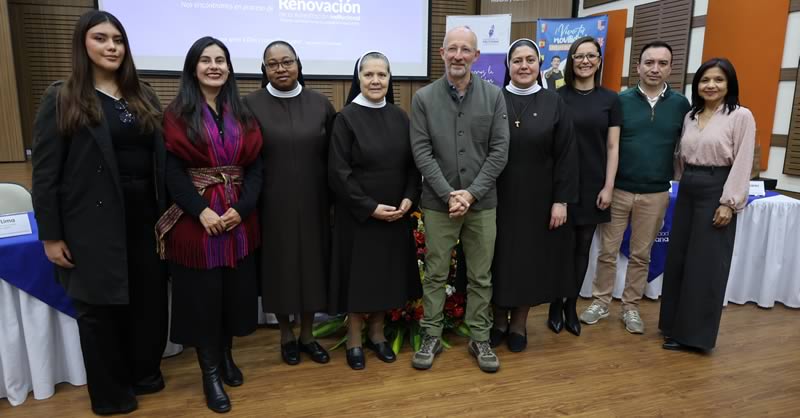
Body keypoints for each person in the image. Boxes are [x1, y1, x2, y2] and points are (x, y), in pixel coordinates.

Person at [31, 10, 168, 415]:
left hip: (145, 219)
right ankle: (110, 395)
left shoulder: (144, 95)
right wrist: (51, 235)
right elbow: (45, 174)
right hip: (91, 224)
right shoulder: (63, 96)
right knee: (100, 311)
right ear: (83, 44)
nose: (111, 47)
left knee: (148, 303)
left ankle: (144, 373)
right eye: (101, 38)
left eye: (118, 40)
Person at [157, 36, 263, 413]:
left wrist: (245, 207)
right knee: (203, 301)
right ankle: (211, 374)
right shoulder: (176, 113)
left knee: (231, 296)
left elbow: (255, 168)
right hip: (195, 223)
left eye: (221, 59)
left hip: (238, 221)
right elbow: (171, 171)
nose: (214, 66)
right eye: (206, 60)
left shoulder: (244, 112)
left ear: (230, 68)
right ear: (193, 68)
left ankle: (228, 357)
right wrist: (200, 210)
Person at [410, 26, 509, 373]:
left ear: (476, 56)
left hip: (482, 204)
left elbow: (499, 152)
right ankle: (431, 334)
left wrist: (470, 194)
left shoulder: (494, 96)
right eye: (452, 49)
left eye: (465, 50)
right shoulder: (423, 99)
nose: (458, 56)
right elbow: (421, 153)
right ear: (442, 53)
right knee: (435, 274)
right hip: (439, 205)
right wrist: (450, 194)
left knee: (481, 276)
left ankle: (479, 337)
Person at [580, 41, 691, 334]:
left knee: (642, 254)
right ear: (638, 66)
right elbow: (609, 146)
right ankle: (600, 302)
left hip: (655, 193)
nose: (655, 69)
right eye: (649, 62)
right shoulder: (620, 101)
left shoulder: (681, 105)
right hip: (618, 190)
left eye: (662, 63)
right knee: (608, 250)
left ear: (670, 68)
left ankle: (631, 307)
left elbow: (686, 147)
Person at [328, 51, 422, 370]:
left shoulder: (400, 117)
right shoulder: (345, 118)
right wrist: (369, 207)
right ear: (359, 78)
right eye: (368, 75)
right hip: (359, 218)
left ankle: (378, 335)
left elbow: (413, 166)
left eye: (382, 75)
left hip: (395, 215)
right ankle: (354, 338)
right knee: (360, 280)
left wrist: (410, 198)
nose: (375, 80)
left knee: (386, 278)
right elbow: (338, 173)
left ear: (389, 79)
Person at [243, 41, 335, 366]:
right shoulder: (250, 105)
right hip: (272, 203)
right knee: (279, 267)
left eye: (287, 62)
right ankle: (285, 334)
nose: (281, 69)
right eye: (273, 64)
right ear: (264, 69)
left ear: (298, 63)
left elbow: (333, 157)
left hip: (315, 201)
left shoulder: (320, 104)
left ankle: (308, 334)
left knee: (313, 265)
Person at [659, 58, 755, 352]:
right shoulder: (691, 115)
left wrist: (729, 203)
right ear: (696, 85)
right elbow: (681, 157)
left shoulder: (741, 116)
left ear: (729, 85)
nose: (711, 85)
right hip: (688, 188)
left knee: (706, 265)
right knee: (680, 260)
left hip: (718, 188)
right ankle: (673, 327)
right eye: (705, 80)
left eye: (718, 80)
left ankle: (696, 337)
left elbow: (742, 162)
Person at [490, 39, 578, 352]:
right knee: (498, 260)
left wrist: (561, 200)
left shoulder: (554, 103)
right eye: (517, 60)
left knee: (528, 263)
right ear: (508, 66)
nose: (524, 66)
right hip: (496, 198)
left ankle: (518, 324)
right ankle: (498, 320)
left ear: (539, 65)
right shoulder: (494, 99)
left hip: (539, 200)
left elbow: (567, 155)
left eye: (530, 60)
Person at [554, 36, 621, 336]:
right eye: (578, 56)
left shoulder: (610, 99)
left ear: (598, 60)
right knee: (560, 248)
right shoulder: (557, 97)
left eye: (591, 55)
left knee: (582, 249)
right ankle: (555, 304)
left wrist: (608, 186)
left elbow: (612, 146)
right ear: (570, 60)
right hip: (562, 185)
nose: (584, 61)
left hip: (594, 185)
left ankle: (571, 306)